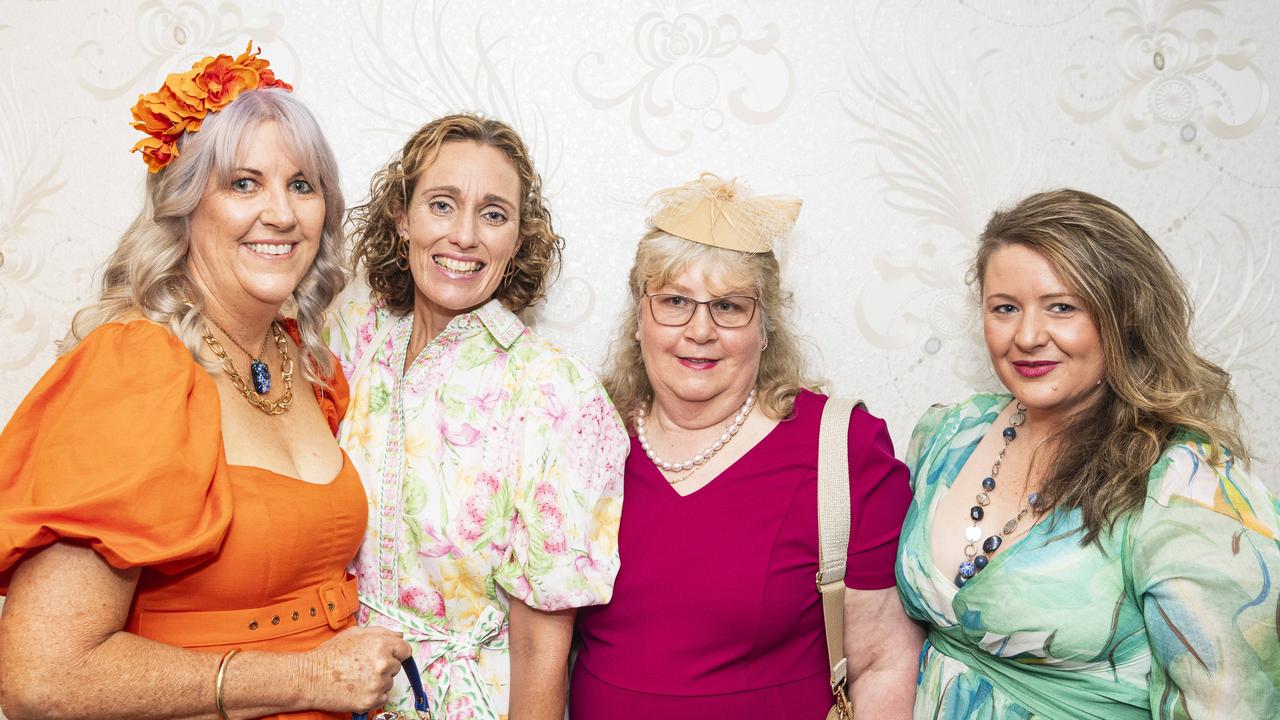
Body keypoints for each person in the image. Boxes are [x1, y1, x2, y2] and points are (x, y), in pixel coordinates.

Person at [0, 44, 411, 720]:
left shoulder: (308, 367)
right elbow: (40, 679)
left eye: (302, 184)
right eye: (243, 183)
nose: (280, 214)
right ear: (184, 202)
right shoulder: (136, 369)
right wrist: (304, 679)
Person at [894, 188, 1280, 719]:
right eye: (1005, 308)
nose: (1028, 336)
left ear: (1126, 315)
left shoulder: (1185, 486)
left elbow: (1233, 706)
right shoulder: (950, 434)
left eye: (1062, 307)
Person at [571, 173, 923, 719]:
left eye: (729, 306)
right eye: (674, 301)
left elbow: (882, 662)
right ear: (639, 319)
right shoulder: (584, 437)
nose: (699, 330)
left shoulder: (843, 450)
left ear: (765, 327)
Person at [330, 113, 627, 719]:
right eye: (442, 204)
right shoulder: (351, 347)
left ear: (517, 239)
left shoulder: (554, 391)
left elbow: (543, 646)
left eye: (493, 214)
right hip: (330, 692)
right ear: (402, 217)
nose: (464, 235)